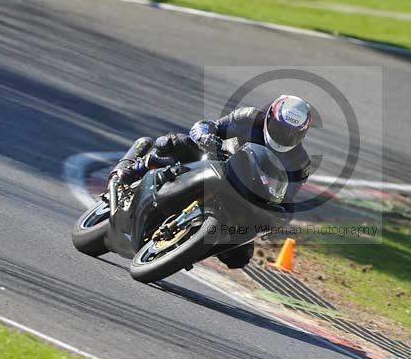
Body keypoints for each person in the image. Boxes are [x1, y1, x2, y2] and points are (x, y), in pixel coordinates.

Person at [111, 95, 312, 269]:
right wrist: (207, 137)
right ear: (270, 117)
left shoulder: (300, 162)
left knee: (239, 257)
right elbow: (206, 126)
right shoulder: (249, 118)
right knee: (174, 143)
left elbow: (286, 198)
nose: (285, 136)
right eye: (281, 128)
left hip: (247, 197)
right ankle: (134, 170)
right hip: (216, 163)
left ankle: (188, 249)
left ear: (302, 133)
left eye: (293, 133)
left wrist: (278, 214)